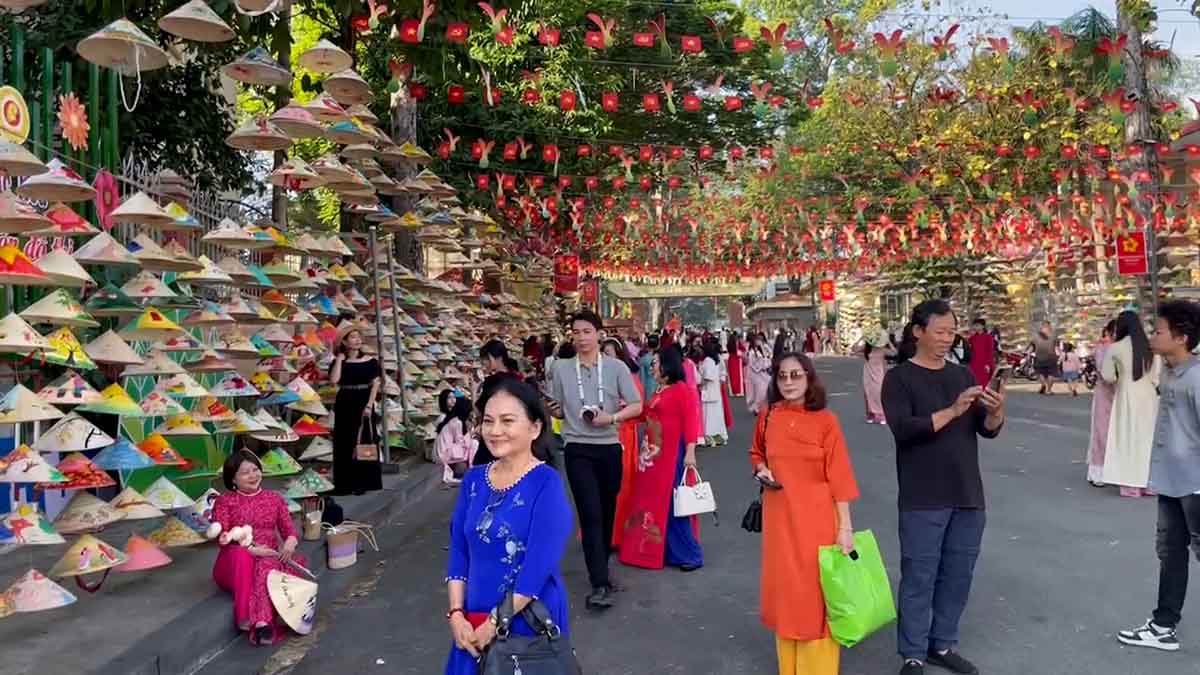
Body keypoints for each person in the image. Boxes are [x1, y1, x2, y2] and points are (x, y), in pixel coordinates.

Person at [881, 299, 1006, 675]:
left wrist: (997, 411)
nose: (947, 339)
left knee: (957, 573)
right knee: (920, 574)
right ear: (918, 332)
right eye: (940, 331)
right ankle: (913, 652)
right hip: (923, 495)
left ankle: (943, 643)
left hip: (967, 492)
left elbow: (985, 429)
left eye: (952, 332)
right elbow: (904, 429)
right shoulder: (899, 378)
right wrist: (952, 411)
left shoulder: (963, 375)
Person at [443, 378, 572, 674]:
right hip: (472, 620)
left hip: (527, 621)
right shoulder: (474, 480)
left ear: (535, 428)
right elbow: (460, 552)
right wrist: (456, 614)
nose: (495, 430)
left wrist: (494, 623)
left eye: (507, 421)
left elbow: (537, 568)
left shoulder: (546, 483)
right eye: (488, 421)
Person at [751, 352, 859, 675]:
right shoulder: (768, 416)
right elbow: (756, 452)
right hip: (779, 519)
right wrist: (760, 468)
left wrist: (846, 527)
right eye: (782, 376)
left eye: (796, 375)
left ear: (809, 378)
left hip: (818, 520)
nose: (788, 382)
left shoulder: (827, 421)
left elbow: (840, 476)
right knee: (786, 594)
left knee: (816, 595)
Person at [1117, 300, 1200, 652]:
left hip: (1195, 483)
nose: (1153, 335)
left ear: (1180, 337)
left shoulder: (1196, 378)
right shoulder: (1168, 370)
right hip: (1170, 479)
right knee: (1171, 552)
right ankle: (1163, 625)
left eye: (1159, 330)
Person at [547, 310, 643, 611]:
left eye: (587, 331)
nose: (581, 337)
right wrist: (555, 410)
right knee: (589, 512)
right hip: (577, 448)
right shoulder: (561, 368)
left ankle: (600, 565)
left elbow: (638, 405)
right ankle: (599, 581)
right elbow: (560, 409)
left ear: (599, 334)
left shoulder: (615, 368)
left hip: (609, 447)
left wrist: (611, 417)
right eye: (576, 332)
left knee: (605, 511)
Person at [618, 347, 703, 571]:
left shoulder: (681, 390)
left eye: (655, 363)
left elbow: (691, 422)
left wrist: (691, 452)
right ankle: (654, 550)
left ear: (667, 366)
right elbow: (646, 414)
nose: (652, 367)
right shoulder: (659, 390)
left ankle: (689, 554)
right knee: (652, 502)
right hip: (651, 456)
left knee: (674, 503)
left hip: (671, 453)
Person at [211, 450, 304, 646]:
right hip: (233, 562)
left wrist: (290, 543)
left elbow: (290, 531)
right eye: (245, 472)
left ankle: (262, 623)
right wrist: (250, 548)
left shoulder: (274, 498)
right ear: (233, 479)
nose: (253, 475)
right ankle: (245, 617)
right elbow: (223, 536)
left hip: (267, 557)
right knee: (243, 555)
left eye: (255, 470)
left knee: (267, 564)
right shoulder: (225, 501)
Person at [1101, 310, 1161, 498]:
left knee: (1127, 439)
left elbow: (1107, 376)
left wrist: (1119, 377)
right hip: (1149, 397)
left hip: (1126, 395)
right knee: (1148, 440)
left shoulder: (1116, 347)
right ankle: (1149, 482)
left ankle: (1130, 484)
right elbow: (1157, 376)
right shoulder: (1150, 347)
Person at [329, 326, 382, 496]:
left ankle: (363, 483)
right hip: (345, 401)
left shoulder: (370, 361)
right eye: (352, 337)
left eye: (358, 337)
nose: (357, 340)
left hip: (364, 401)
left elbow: (376, 384)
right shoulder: (339, 361)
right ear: (344, 341)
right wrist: (339, 359)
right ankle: (344, 484)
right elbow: (334, 380)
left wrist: (369, 405)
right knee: (344, 443)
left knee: (364, 441)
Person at [603, 338, 644, 552]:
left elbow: (639, 409)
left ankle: (618, 533)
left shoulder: (630, 378)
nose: (607, 358)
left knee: (622, 484)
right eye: (605, 354)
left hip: (624, 435)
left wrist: (620, 412)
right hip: (602, 434)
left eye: (611, 354)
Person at [1086, 320, 1117, 487]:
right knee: (1101, 432)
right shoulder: (1103, 349)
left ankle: (1111, 470)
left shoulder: (1119, 348)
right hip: (1105, 395)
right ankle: (1096, 471)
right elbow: (1105, 373)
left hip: (1117, 395)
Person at [435, 390, 477, 486]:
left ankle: (472, 469)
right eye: (449, 398)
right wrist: (470, 433)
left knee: (472, 443)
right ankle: (472, 470)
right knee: (473, 444)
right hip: (445, 452)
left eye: (454, 397)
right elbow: (460, 441)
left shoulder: (454, 418)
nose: (453, 400)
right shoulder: (450, 419)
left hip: (446, 449)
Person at [699, 340, 728, 446]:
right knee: (716, 414)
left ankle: (709, 437)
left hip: (708, 390)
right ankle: (719, 436)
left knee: (708, 415)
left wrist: (700, 384)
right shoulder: (715, 359)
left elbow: (707, 377)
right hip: (715, 391)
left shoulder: (707, 361)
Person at [862, 332, 892, 424]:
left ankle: (882, 415)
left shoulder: (882, 350)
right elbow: (853, 349)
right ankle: (870, 415)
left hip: (878, 375)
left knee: (878, 394)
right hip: (867, 375)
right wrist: (861, 338)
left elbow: (894, 352)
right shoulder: (867, 349)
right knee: (868, 394)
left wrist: (889, 342)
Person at [746, 332, 773, 415]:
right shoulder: (751, 352)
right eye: (757, 340)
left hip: (762, 373)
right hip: (756, 373)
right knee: (759, 391)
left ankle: (760, 407)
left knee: (763, 390)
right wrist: (762, 367)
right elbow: (753, 364)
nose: (759, 341)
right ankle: (757, 408)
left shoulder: (759, 350)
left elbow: (766, 357)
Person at [966, 319, 995, 388]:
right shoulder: (972, 338)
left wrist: (988, 364)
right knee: (974, 383)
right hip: (974, 364)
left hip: (984, 364)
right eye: (974, 325)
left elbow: (990, 352)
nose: (975, 327)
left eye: (977, 325)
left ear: (983, 326)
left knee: (983, 384)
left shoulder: (988, 337)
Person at [1032, 321, 1058, 395]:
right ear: (1049, 326)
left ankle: (1043, 384)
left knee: (1040, 372)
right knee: (1051, 374)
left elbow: (1032, 345)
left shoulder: (1036, 336)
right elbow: (1056, 347)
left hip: (1039, 357)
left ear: (1042, 326)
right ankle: (1048, 390)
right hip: (1051, 357)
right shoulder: (1053, 335)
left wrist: (1028, 353)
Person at [638, 334, 659, 400]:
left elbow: (642, 379)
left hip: (648, 387)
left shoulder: (643, 359)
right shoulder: (661, 357)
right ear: (658, 345)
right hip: (660, 385)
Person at [726, 332, 745, 397]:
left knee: (732, 376)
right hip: (737, 360)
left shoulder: (729, 344)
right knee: (738, 376)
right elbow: (743, 350)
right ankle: (738, 391)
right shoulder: (737, 343)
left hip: (731, 360)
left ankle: (733, 391)